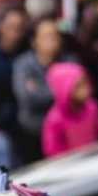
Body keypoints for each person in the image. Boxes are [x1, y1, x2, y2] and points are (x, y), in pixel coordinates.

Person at [12, 18, 71, 163]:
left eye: (55, 36)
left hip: (64, 132)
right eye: (46, 36)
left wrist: (40, 90)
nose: (52, 40)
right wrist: (59, 91)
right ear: (34, 41)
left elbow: (74, 95)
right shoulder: (23, 64)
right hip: (33, 133)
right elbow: (27, 98)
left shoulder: (69, 61)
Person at [0, 6, 29, 168]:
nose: (15, 33)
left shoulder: (26, 55)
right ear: (1, 27)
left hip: (22, 128)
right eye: (11, 27)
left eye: (20, 28)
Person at [41, 62, 98, 158]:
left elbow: (96, 127)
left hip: (93, 159)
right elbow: (52, 150)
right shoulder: (55, 120)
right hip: (72, 166)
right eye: (79, 86)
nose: (86, 89)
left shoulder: (92, 107)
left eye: (86, 83)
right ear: (63, 89)